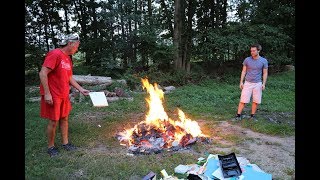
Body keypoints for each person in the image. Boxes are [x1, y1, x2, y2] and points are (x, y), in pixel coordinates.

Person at [39, 33, 90, 157]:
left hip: (64, 94)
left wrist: (81, 89)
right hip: (53, 94)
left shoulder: (68, 58)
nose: (77, 49)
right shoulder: (55, 54)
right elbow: (43, 73)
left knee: (65, 118)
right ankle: (51, 147)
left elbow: (69, 77)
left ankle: (65, 143)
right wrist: (47, 94)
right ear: (70, 43)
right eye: (77, 46)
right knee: (53, 121)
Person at [235, 43, 268, 121]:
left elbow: (265, 73)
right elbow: (243, 71)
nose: (252, 52)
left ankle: (252, 116)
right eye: (251, 51)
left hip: (258, 83)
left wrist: (263, 83)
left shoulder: (263, 61)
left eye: (254, 51)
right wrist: (241, 82)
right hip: (248, 83)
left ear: (258, 51)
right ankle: (238, 115)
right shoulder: (247, 60)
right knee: (243, 99)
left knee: (255, 100)